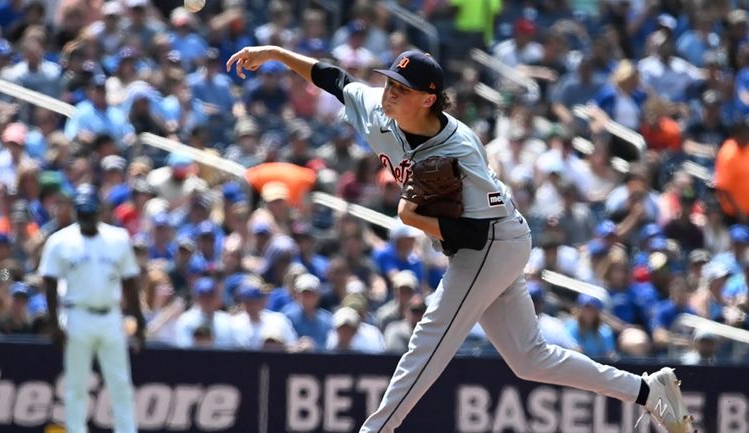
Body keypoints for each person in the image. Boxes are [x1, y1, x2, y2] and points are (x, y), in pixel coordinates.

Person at [227, 45, 693, 433]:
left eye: (400, 88)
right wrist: (272, 54)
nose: (388, 92)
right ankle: (649, 391)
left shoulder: (458, 148)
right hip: (482, 243)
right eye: (388, 82)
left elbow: (474, 231)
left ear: (429, 99)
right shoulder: (380, 110)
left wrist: (415, 219)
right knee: (530, 359)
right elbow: (333, 77)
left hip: (493, 241)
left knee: (429, 338)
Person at [39, 184, 144, 433]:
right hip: (77, 316)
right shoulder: (60, 240)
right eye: (82, 212)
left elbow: (130, 282)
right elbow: (49, 282)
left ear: (100, 211)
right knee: (76, 386)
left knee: (120, 383)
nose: (86, 218)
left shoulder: (117, 239)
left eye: (91, 212)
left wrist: (139, 321)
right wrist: (54, 323)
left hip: (110, 315)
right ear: (75, 212)